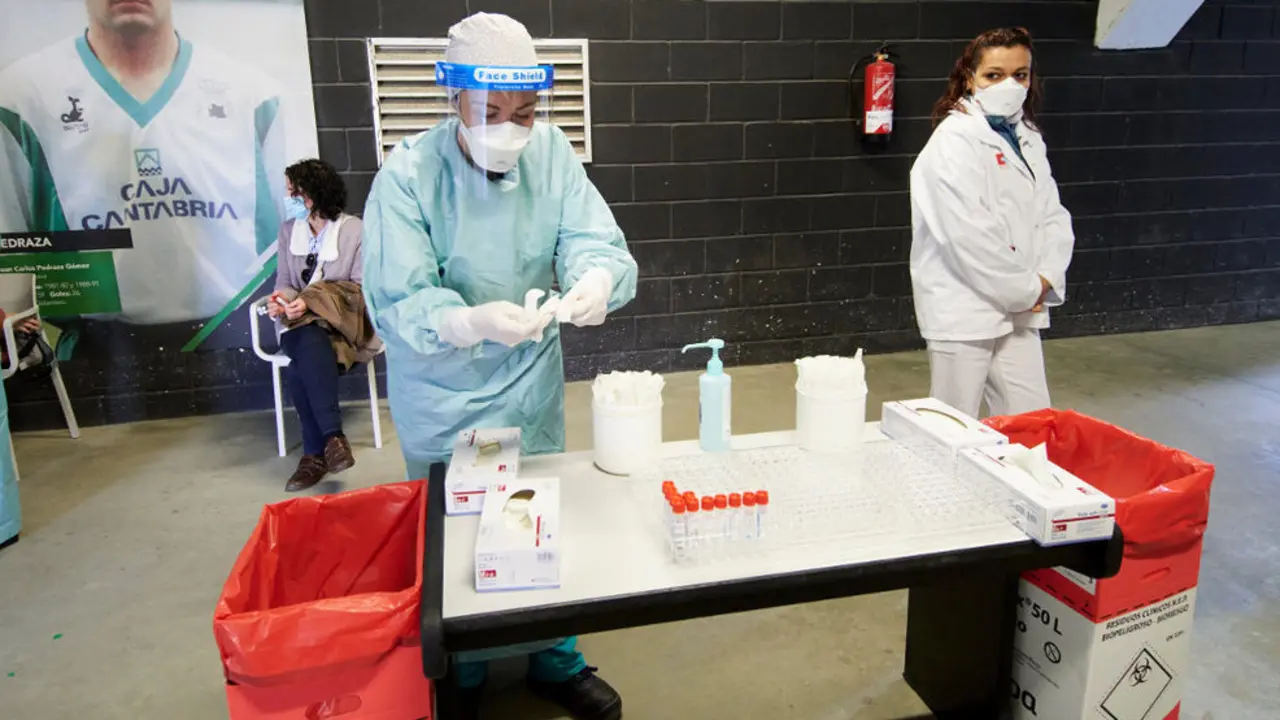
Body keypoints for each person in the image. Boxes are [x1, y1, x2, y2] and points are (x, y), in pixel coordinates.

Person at [362, 12, 637, 720]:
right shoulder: (409, 175)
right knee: (456, 534)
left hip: (528, 386)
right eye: (491, 112)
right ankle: (468, 669)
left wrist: (596, 281)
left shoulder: (550, 154)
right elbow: (399, 296)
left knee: (539, 518)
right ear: (452, 98)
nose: (510, 128)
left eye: (524, 111)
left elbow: (591, 237)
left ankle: (554, 658)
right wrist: (464, 320)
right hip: (443, 392)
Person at [0, 0, 287, 335]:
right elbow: (11, 257)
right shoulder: (22, 96)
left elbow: (288, 241)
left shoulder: (253, 94)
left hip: (240, 336)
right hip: (95, 354)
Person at [909, 27, 1074, 418]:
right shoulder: (954, 142)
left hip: (1021, 306)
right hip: (965, 308)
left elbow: (1051, 214)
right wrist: (1026, 288)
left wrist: (1048, 275)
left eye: (1020, 74)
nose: (1009, 85)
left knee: (1032, 422)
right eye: (994, 75)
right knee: (952, 425)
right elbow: (966, 237)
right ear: (970, 78)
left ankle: (1022, 481)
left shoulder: (1027, 135)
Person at [267, 159, 365, 493]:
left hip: (342, 324)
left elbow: (361, 287)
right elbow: (285, 281)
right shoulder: (287, 230)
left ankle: (315, 454)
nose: (290, 196)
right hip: (298, 323)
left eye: (296, 190)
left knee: (299, 366)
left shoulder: (354, 230)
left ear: (315, 191)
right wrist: (281, 299)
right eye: (289, 190)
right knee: (305, 338)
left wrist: (314, 301)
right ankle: (333, 438)